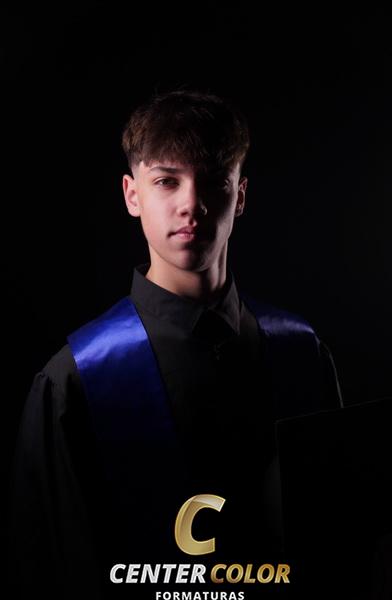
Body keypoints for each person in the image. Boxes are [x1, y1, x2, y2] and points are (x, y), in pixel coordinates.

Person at [9, 89, 342, 599]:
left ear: (240, 195)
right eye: (167, 181)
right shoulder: (76, 380)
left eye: (213, 180)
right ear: (132, 195)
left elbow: (341, 540)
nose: (192, 204)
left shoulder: (301, 352)